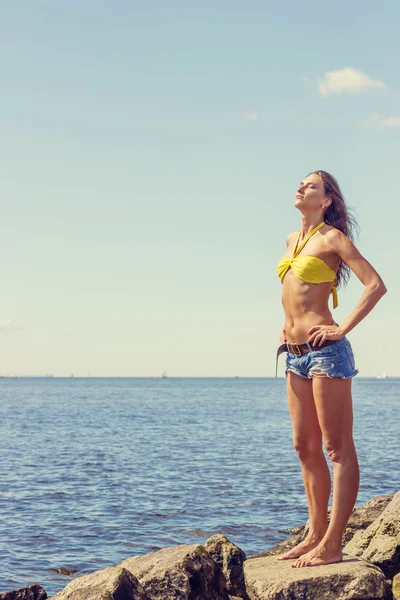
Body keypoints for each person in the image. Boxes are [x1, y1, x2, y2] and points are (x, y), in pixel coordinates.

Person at [275, 170, 387, 568]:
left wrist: (342, 327)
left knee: (336, 447)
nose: (301, 187)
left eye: (312, 186)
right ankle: (314, 533)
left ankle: (334, 543)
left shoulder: (333, 239)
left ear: (326, 201)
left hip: (327, 354)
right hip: (294, 354)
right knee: (304, 446)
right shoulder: (292, 240)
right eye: (301, 183)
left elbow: (375, 284)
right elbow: (295, 296)